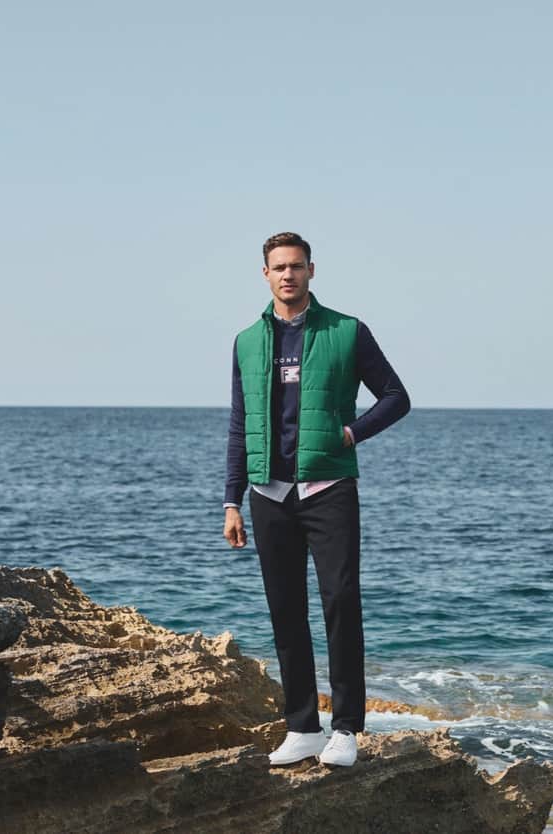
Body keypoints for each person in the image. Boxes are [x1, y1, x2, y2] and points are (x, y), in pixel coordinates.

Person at [223, 232, 410, 767]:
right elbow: (239, 423)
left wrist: (351, 433)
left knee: (340, 603)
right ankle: (302, 727)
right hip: (269, 493)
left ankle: (346, 728)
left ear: (311, 270)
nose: (289, 275)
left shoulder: (346, 331)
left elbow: (396, 397)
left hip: (328, 489)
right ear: (265, 274)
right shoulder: (246, 342)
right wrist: (231, 500)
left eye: (297, 266)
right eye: (279, 267)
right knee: (286, 611)